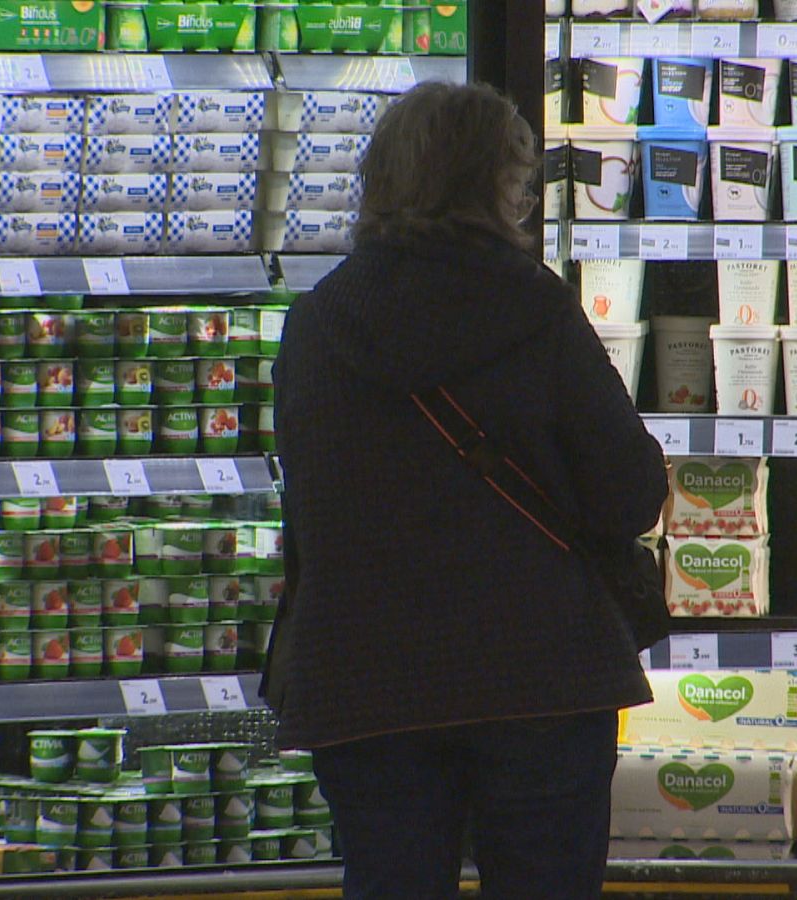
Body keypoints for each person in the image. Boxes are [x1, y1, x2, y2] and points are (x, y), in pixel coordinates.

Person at [265, 81, 667, 899]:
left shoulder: (317, 323)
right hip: (539, 676)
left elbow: (310, 512)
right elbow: (627, 493)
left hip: (365, 680)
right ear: (497, 184)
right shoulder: (536, 308)